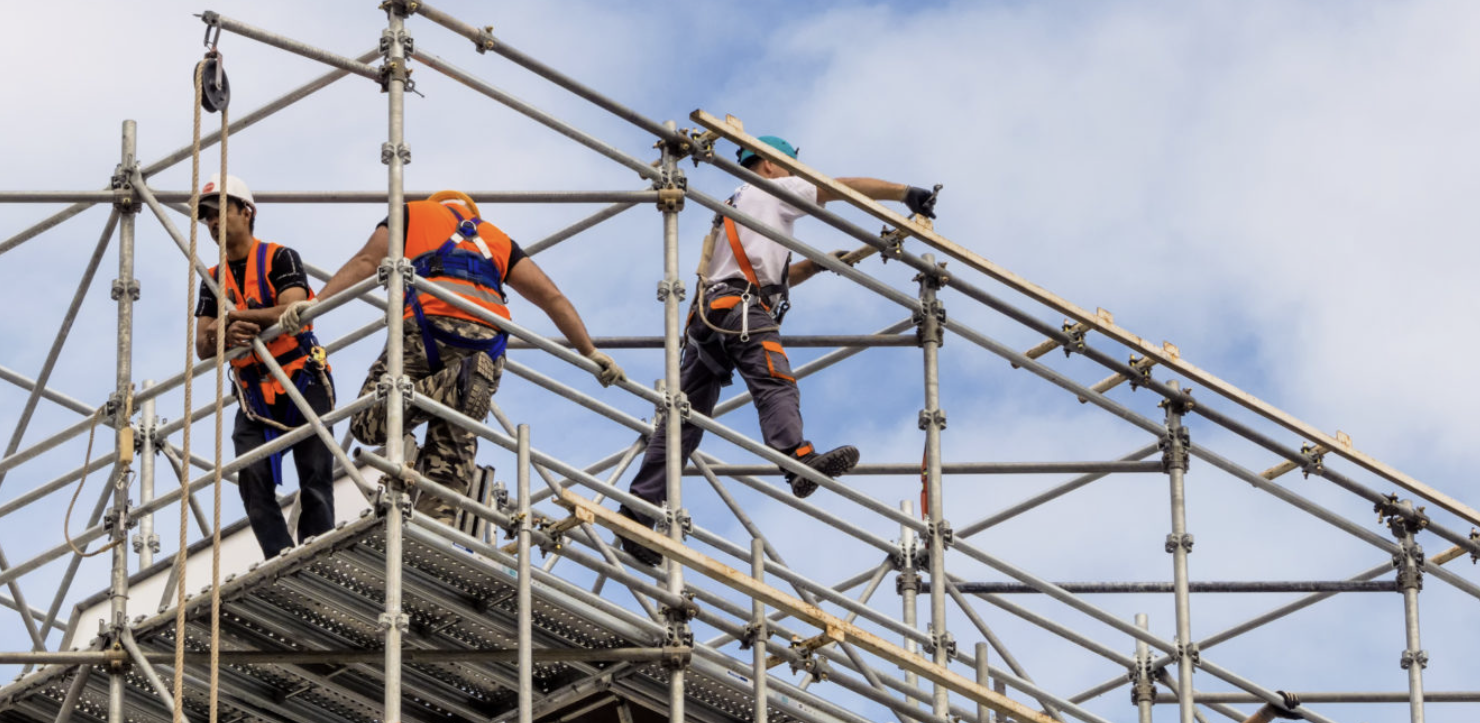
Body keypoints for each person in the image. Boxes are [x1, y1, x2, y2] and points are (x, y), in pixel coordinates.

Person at [615, 136, 940, 566]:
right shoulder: (773, 190)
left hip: (710, 319)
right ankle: (796, 458)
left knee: (683, 423)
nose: (794, 174)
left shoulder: (736, 203)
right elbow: (838, 187)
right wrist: (904, 194)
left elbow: (761, 276)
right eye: (788, 165)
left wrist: (814, 264)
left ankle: (637, 512)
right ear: (767, 164)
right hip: (741, 312)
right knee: (774, 381)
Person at [281, 190, 623, 525]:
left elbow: (367, 261)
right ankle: (436, 532)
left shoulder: (412, 214)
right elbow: (552, 297)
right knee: (452, 454)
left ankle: (458, 382)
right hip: (487, 348)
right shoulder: (498, 239)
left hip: (428, 330)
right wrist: (590, 353)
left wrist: (317, 303)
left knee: (366, 421)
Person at [194, 174, 336, 559]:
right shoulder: (212, 279)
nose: (212, 222)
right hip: (254, 391)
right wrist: (225, 331)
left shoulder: (280, 257)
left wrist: (241, 317)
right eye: (206, 217)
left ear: (246, 211)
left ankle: (317, 555)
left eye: (219, 212)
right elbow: (202, 346)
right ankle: (280, 557)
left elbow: (294, 309)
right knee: (253, 480)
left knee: (315, 476)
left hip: (300, 377)